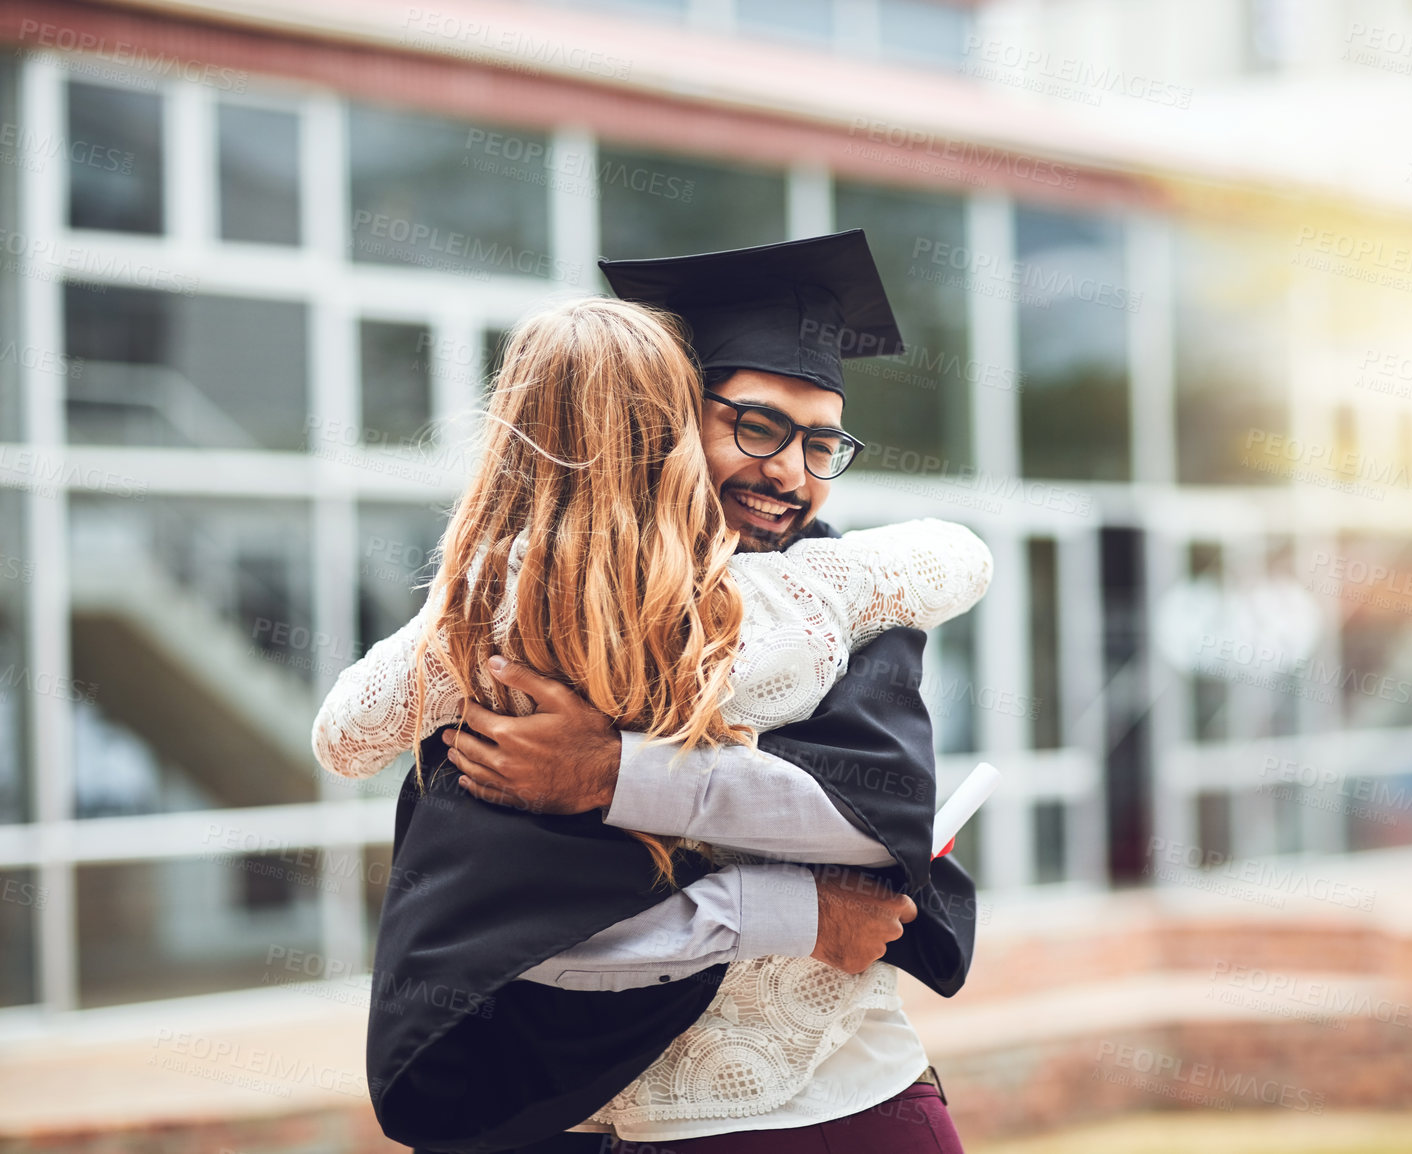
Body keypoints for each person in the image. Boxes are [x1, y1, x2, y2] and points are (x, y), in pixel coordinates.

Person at [315, 232, 987, 1153]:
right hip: (613, 1122)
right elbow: (519, 938)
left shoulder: (827, 592)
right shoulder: (510, 637)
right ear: (670, 423)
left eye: (823, 443)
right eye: (755, 427)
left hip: (839, 1097)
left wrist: (614, 772)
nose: (791, 472)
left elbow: (879, 821)